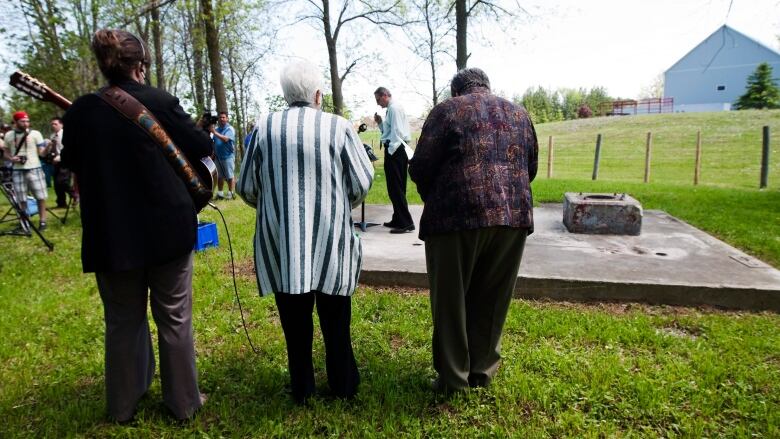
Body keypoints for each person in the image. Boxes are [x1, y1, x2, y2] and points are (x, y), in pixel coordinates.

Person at [61, 29, 212, 423]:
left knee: (123, 320)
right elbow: (201, 146)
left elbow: (71, 163)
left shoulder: (79, 112)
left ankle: (123, 405)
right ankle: (183, 403)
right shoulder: (160, 101)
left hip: (112, 236)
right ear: (140, 65)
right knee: (175, 317)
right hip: (167, 230)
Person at [237, 60, 374, 404]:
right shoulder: (338, 127)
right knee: (336, 320)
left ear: (285, 95)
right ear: (317, 94)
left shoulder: (264, 128)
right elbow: (361, 181)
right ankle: (343, 384)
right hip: (331, 240)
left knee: (294, 325)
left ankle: (303, 388)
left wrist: (275, 206)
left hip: (283, 242)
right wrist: (337, 202)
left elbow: (246, 185)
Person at [408, 68, 538, 394]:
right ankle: (481, 373)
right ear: (487, 86)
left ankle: (453, 380)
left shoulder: (447, 111)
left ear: (457, 91)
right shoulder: (519, 113)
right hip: (513, 217)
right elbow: (530, 166)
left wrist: (432, 195)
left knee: (451, 301)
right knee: (492, 299)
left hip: (455, 217)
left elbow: (420, 165)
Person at [373, 87, 414, 234]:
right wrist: (380, 123)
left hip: (395, 151)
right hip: (396, 150)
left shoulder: (394, 108)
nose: (378, 103)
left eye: (378, 99)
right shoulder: (391, 109)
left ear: (385, 95)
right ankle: (398, 218)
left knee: (395, 187)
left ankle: (406, 223)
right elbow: (389, 131)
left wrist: (389, 151)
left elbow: (397, 133)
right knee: (396, 186)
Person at [3, 111, 48, 230]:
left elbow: (42, 153)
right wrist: (11, 158)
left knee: (40, 196)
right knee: (21, 198)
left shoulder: (35, 134)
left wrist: (48, 146)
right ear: (16, 122)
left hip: (35, 168)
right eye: (23, 121)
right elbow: (6, 152)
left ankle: (43, 221)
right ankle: (24, 222)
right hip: (17, 170)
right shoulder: (8, 135)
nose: (26, 123)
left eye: (27, 121)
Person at [44, 117, 75, 208]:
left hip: (65, 160)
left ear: (61, 124)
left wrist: (60, 157)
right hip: (55, 162)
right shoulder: (53, 135)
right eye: (52, 124)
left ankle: (74, 194)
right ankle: (61, 203)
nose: (53, 126)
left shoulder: (66, 134)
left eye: (55, 124)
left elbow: (69, 148)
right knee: (57, 184)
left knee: (62, 181)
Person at [211, 111, 236, 200]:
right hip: (218, 157)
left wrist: (214, 132)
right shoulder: (217, 129)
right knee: (219, 176)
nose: (222, 119)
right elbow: (214, 143)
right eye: (220, 117)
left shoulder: (230, 129)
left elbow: (225, 139)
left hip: (228, 156)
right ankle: (220, 194)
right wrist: (213, 155)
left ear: (227, 119)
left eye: (223, 117)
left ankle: (230, 194)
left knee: (230, 176)